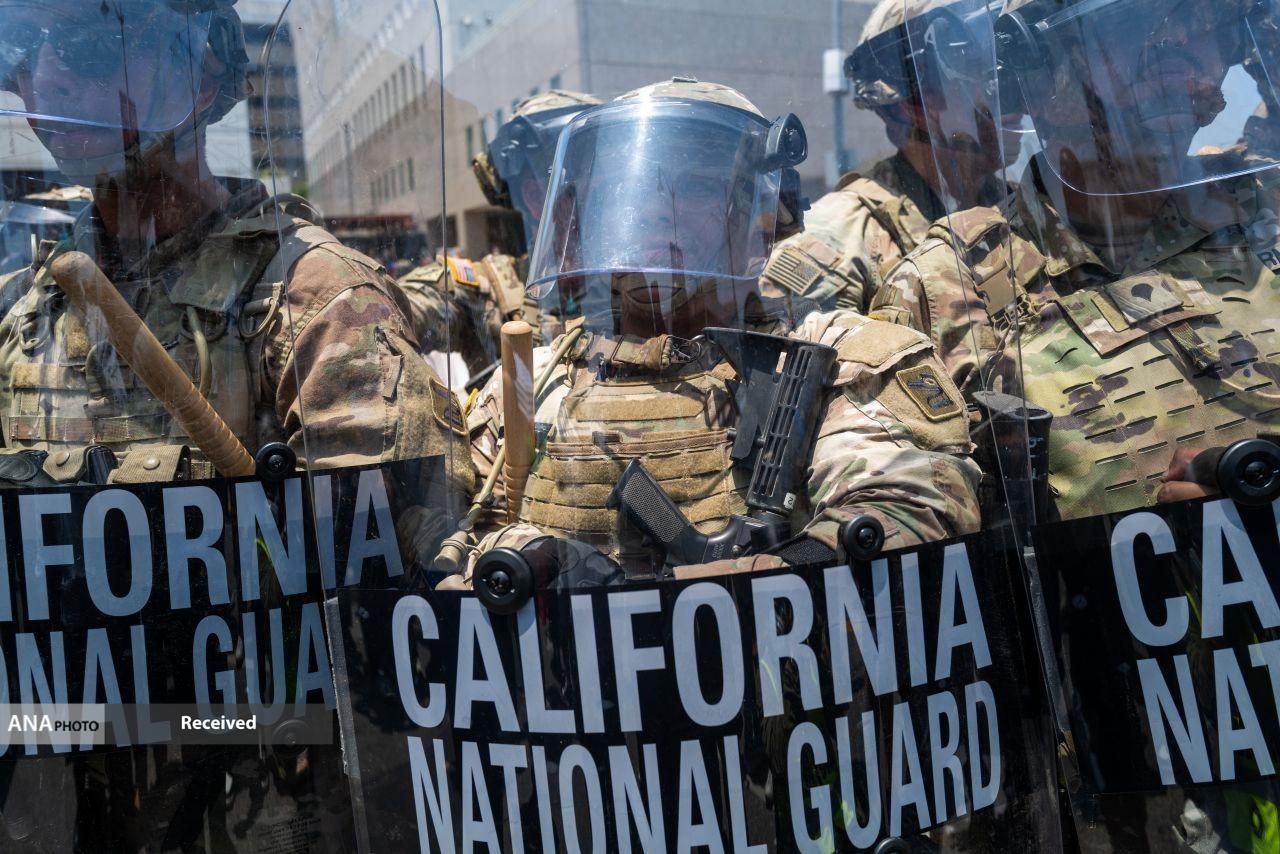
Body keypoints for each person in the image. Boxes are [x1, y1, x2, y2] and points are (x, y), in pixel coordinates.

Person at [0, 0, 470, 849]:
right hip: (64, 792)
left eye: (91, 45)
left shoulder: (313, 301)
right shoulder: (28, 309)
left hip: (258, 796)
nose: (47, 78)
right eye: (28, 54)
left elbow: (408, 608)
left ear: (200, 74)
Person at [438, 78, 981, 586]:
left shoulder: (840, 363)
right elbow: (453, 549)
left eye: (694, 187)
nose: (656, 209)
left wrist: (750, 578)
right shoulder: (533, 382)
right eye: (628, 188)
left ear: (758, 220)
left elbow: (912, 508)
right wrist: (530, 558)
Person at [759, 0, 1016, 316]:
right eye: (980, 79)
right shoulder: (839, 238)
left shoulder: (1024, 210)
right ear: (917, 107)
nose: (1008, 96)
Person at [400, 90, 601, 380]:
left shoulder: (644, 291)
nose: (600, 199)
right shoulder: (488, 291)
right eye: (582, 185)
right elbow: (386, 312)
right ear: (534, 198)